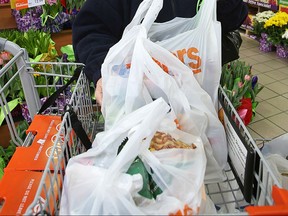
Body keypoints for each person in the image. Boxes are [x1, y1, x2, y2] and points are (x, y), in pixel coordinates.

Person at [72, 0, 248, 105]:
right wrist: (105, 71)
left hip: (200, 101)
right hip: (139, 102)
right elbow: (91, 30)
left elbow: (232, 20)